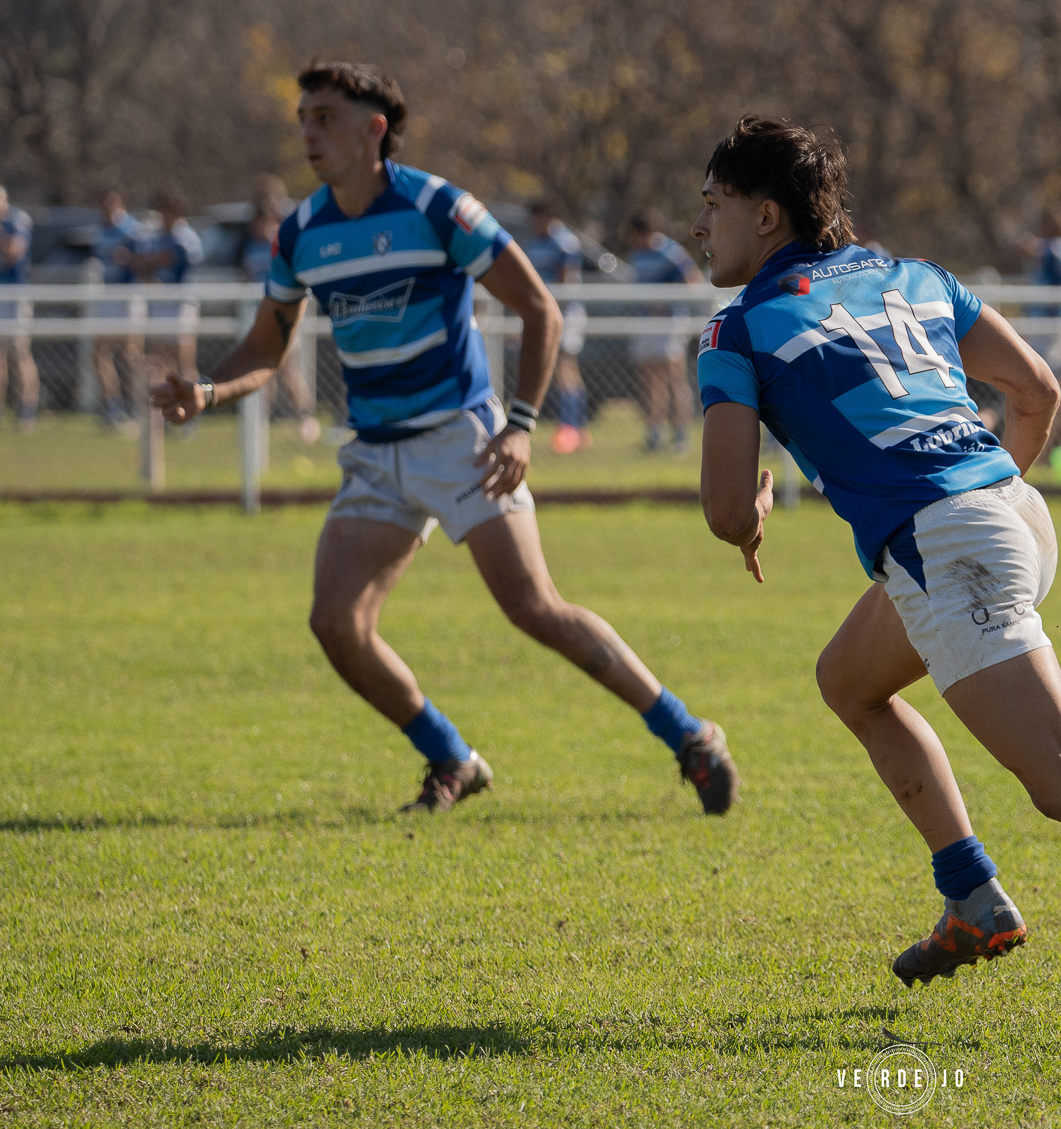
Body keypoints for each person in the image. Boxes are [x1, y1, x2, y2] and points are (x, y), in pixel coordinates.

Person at [693, 116, 1061, 1043]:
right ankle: (973, 898)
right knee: (849, 682)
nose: (702, 227)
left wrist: (762, 508)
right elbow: (1038, 391)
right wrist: (983, 493)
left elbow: (728, 511)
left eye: (715, 205)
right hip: (1007, 510)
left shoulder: (738, 328)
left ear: (765, 215)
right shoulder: (915, 277)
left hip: (949, 541)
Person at [151, 61, 738, 815]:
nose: (307, 132)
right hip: (376, 453)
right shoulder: (303, 230)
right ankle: (451, 757)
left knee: (534, 608)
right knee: (336, 624)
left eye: (324, 117)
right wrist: (208, 389)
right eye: (302, 117)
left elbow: (540, 311)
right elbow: (268, 345)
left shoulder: (438, 208)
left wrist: (521, 427)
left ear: (374, 129)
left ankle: (689, 734)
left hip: (463, 439)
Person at [240, 175, 321, 442]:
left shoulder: (283, 238)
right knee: (261, 369)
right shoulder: (248, 243)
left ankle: (305, 417)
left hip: (283, 314)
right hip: (258, 313)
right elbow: (244, 274)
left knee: (286, 368)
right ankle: (258, 426)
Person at [625, 213, 703, 454]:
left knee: (674, 379)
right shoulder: (637, 255)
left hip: (669, 325)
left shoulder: (671, 253)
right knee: (650, 382)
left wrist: (667, 301)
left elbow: (693, 281)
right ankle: (654, 433)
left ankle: (680, 435)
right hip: (645, 324)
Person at [521, 199, 590, 454]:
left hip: (564, 314)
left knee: (565, 368)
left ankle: (572, 428)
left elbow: (564, 281)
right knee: (562, 372)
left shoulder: (564, 242)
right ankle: (574, 428)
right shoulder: (535, 242)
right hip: (543, 313)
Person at [132, 190, 205, 400]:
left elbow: (177, 259)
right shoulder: (153, 236)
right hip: (158, 303)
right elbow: (140, 262)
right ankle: (166, 404)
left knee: (184, 359)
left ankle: (193, 401)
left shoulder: (187, 236)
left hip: (180, 304)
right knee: (160, 359)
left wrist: (154, 261)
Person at [1018, 207, 1061, 442]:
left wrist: (1032, 245)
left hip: (1054, 322)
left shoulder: (1057, 247)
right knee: (1046, 376)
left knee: (1049, 378)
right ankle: (1050, 438)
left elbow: (1034, 248)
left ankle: (1051, 438)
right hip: (1048, 321)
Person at [91, 188, 144, 429]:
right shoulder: (100, 230)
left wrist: (129, 259)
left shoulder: (131, 229)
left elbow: (144, 262)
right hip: (108, 296)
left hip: (127, 297)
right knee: (100, 352)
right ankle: (113, 405)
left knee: (130, 353)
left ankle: (136, 404)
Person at [0, 185, 38, 430]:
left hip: (14, 294)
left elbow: (14, 250)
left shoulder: (18, 220)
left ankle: (27, 407)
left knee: (19, 353)